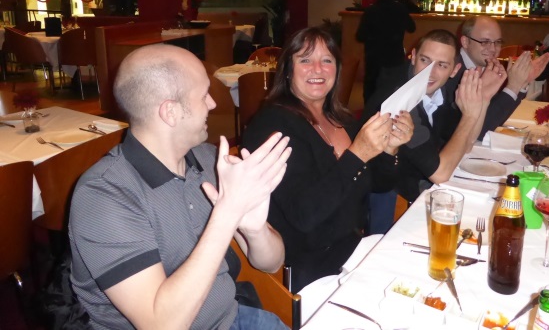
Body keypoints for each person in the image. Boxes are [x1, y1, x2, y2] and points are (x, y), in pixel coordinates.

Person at [69, 44, 292, 330]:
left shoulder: (209, 160)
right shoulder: (103, 196)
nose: (213, 104)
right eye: (204, 95)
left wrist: (254, 229)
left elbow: (271, 263)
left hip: (231, 318)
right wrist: (228, 213)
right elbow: (162, 325)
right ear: (170, 112)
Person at [241, 27, 414, 293]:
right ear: (287, 69)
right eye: (305, 59)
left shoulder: (341, 119)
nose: (318, 69)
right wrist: (358, 154)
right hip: (305, 271)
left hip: (352, 252)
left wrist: (390, 148)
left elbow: (377, 184)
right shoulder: (272, 126)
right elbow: (305, 217)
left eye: (327, 60)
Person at [362, 30, 505, 232]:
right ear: (413, 57)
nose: (430, 72)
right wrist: (470, 116)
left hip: (419, 192)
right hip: (391, 205)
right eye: (425, 60)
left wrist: (483, 99)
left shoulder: (439, 92)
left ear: (454, 70)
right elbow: (440, 174)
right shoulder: (401, 102)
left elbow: (467, 142)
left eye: (442, 65)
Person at [452, 16, 549, 137]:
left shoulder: (487, 68)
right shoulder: (453, 72)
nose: (493, 49)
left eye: (497, 42)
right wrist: (513, 87)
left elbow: (495, 119)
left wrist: (521, 83)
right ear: (465, 42)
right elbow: (477, 132)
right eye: (485, 42)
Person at [356, 0, 416, 102]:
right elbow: (412, 28)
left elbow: (360, 36)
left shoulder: (370, 11)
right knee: (393, 92)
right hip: (394, 58)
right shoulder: (400, 8)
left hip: (374, 58)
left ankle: (371, 113)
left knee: (371, 94)